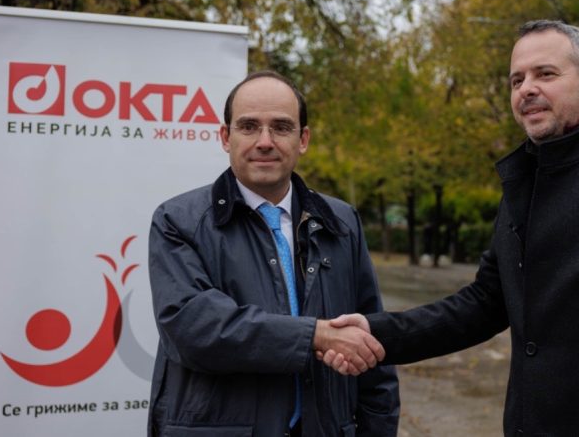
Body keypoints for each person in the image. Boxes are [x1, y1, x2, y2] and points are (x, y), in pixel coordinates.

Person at [327, 20, 579, 435]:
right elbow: (485, 303)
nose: (526, 89)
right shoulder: (524, 182)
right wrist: (377, 333)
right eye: (516, 80)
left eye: (545, 74)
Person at [147, 71, 399, 437]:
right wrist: (315, 336)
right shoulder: (178, 220)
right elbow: (193, 329)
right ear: (225, 137)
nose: (265, 142)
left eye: (281, 127)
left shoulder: (342, 222)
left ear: (303, 139)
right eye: (249, 126)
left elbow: (374, 346)